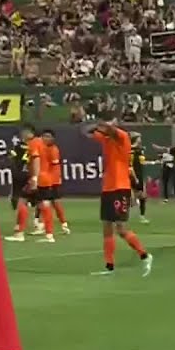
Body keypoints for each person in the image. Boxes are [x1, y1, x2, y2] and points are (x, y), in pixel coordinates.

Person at [86, 118, 153, 275]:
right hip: (108, 188)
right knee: (107, 228)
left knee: (121, 229)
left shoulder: (122, 137)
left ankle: (145, 255)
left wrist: (105, 124)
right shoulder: (106, 138)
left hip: (120, 187)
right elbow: (87, 131)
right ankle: (109, 266)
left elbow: (110, 129)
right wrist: (97, 126)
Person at [6, 124, 48, 242]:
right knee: (40, 202)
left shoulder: (32, 144)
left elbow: (35, 160)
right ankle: (44, 229)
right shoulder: (40, 144)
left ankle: (20, 231)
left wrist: (34, 177)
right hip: (36, 176)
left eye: (25, 132)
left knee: (22, 201)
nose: (23, 134)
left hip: (30, 176)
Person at [45, 131, 71, 234]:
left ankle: (62, 224)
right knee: (46, 202)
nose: (46, 139)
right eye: (44, 136)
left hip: (52, 180)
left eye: (48, 137)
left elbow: (53, 165)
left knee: (53, 202)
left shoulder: (53, 149)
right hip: (47, 179)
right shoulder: (44, 148)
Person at [130, 132, 153, 223]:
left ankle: (141, 216)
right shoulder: (133, 150)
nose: (141, 139)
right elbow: (131, 165)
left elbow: (141, 163)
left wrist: (152, 162)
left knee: (142, 196)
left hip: (139, 175)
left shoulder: (139, 150)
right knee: (134, 198)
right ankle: (124, 215)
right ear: (136, 139)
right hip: (133, 175)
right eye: (139, 138)